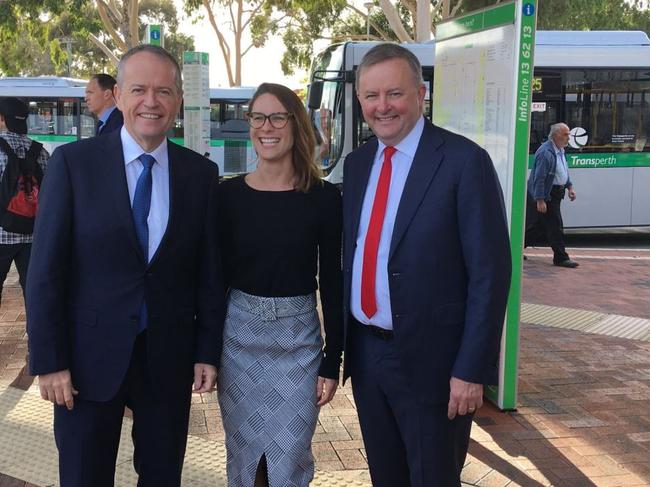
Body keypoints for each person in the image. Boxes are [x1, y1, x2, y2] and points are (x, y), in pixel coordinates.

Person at [26, 45, 224, 486]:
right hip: (84, 363)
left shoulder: (200, 175)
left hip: (167, 361)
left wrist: (206, 350)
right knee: (83, 476)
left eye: (163, 91)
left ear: (177, 100)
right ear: (117, 95)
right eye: (138, 89)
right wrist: (50, 360)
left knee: (161, 476)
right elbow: (45, 272)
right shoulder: (73, 165)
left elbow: (209, 272)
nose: (150, 102)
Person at [342, 44, 511, 487]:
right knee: (387, 476)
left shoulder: (463, 162)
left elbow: (490, 275)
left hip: (435, 363)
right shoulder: (359, 164)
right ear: (360, 101)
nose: (383, 107)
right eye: (371, 96)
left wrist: (471, 369)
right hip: (367, 354)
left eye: (394, 93)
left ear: (420, 93)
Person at [217, 82, 343, 487]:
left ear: (295, 124)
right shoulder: (227, 196)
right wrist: (204, 351)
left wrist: (333, 357)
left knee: (288, 461)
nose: (265, 127)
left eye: (277, 117)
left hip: (299, 344)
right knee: (246, 462)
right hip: (238, 343)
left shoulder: (323, 197)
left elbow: (334, 280)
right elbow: (213, 279)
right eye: (257, 117)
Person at [0, 97, 49, 304]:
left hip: (1, 234)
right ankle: (36, 334)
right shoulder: (41, 151)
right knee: (34, 293)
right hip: (32, 234)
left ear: (2, 119)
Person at [525, 123, 578, 268]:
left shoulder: (560, 150)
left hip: (554, 193)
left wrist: (569, 187)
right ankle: (560, 257)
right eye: (566, 134)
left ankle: (513, 250)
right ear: (556, 136)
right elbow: (539, 178)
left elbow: (563, 171)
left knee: (538, 226)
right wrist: (540, 200)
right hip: (547, 194)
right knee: (555, 225)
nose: (569, 137)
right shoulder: (546, 153)